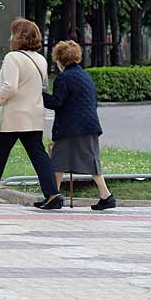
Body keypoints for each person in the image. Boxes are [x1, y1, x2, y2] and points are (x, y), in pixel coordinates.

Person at [0, 18, 63, 210]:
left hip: (12, 117)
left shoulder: (12, 58)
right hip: (33, 116)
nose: (10, 36)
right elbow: (44, 86)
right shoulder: (40, 59)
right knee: (39, 156)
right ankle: (53, 194)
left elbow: (10, 86)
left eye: (13, 33)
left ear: (19, 36)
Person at [46, 40, 116, 210]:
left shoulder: (63, 78)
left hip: (71, 127)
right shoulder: (85, 75)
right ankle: (104, 196)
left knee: (57, 160)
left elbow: (57, 102)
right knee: (87, 160)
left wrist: (39, 95)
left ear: (59, 59)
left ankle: (54, 196)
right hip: (89, 125)